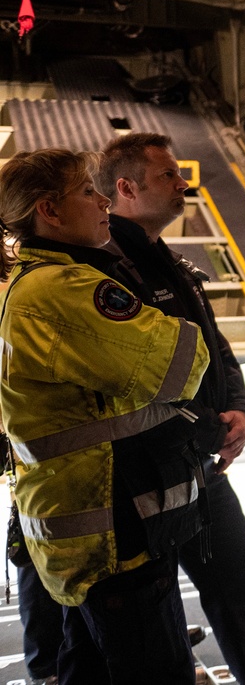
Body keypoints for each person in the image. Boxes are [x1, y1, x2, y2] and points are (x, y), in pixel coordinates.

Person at [0, 149, 210, 683]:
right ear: (49, 210)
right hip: (113, 540)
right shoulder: (60, 290)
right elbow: (183, 363)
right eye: (87, 193)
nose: (103, 203)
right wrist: (169, 327)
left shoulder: (32, 283)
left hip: (85, 535)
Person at [94, 133, 245, 685]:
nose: (184, 185)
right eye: (169, 177)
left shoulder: (170, 263)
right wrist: (204, 428)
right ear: (126, 188)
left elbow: (216, 348)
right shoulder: (103, 273)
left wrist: (241, 410)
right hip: (144, 481)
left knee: (242, 581)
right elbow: (129, 381)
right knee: (155, 622)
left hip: (199, 471)